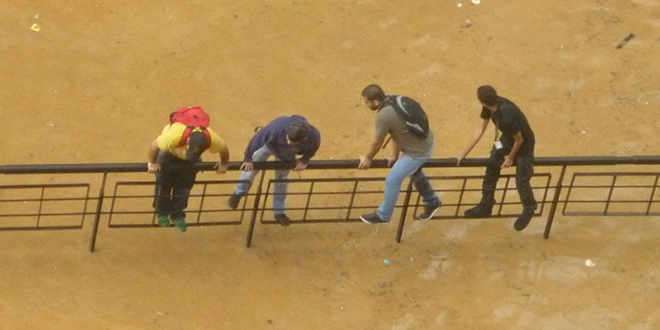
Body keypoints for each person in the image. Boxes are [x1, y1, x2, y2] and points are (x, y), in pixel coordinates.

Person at [357, 84, 441, 224]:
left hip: (417, 152)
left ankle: (383, 215)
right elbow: (396, 132)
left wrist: (368, 158)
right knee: (413, 171)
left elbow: (377, 143)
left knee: (392, 180)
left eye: (366, 101)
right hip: (426, 141)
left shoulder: (384, 116)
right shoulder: (392, 99)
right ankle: (432, 201)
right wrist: (394, 156)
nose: (365, 104)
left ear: (375, 101)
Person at [457, 85, 537, 231]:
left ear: (482, 101)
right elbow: (480, 129)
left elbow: (520, 140)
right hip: (506, 139)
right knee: (492, 165)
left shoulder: (507, 115)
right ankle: (486, 204)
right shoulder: (490, 106)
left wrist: (510, 158)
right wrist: (464, 154)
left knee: (522, 180)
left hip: (524, 144)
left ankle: (529, 207)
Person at [228, 115, 320, 226]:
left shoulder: (313, 136)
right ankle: (238, 192)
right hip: (270, 145)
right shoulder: (276, 128)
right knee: (251, 166)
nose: (289, 142)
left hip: (287, 155)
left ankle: (279, 212)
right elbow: (257, 139)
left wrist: (305, 160)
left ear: (304, 139)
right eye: (288, 139)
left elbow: (314, 147)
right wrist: (247, 158)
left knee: (281, 179)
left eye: (292, 142)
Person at [147, 109, 229, 232]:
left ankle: (177, 214)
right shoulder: (173, 135)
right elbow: (154, 146)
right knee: (163, 185)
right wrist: (152, 163)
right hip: (169, 155)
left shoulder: (212, 138)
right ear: (188, 141)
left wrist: (224, 163)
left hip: (189, 163)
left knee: (184, 188)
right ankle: (162, 213)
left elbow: (224, 149)